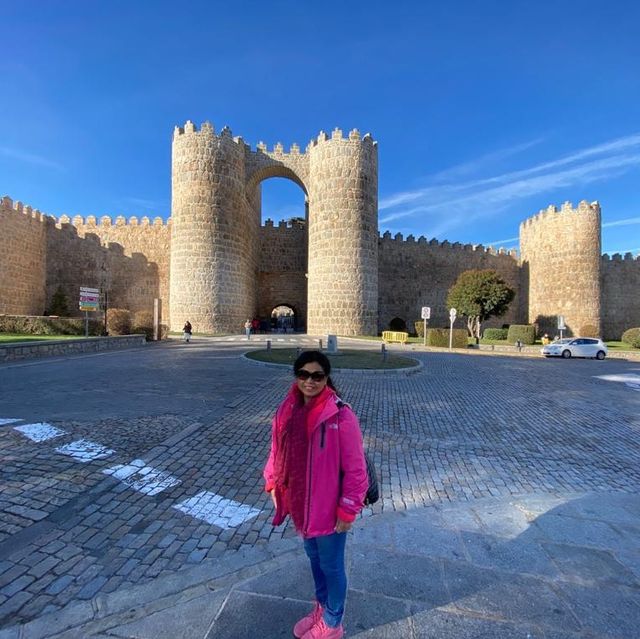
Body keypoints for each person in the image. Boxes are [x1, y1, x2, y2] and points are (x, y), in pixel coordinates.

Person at [263, 351, 368, 639]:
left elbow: (357, 470)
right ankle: (322, 608)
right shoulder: (287, 410)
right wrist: (272, 482)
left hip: (329, 509)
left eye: (317, 376)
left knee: (332, 567)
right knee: (315, 561)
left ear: (326, 378)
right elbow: (276, 451)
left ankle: (333, 623)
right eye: (303, 375)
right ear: (296, 376)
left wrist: (348, 510)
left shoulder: (341, 415)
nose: (309, 381)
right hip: (301, 506)